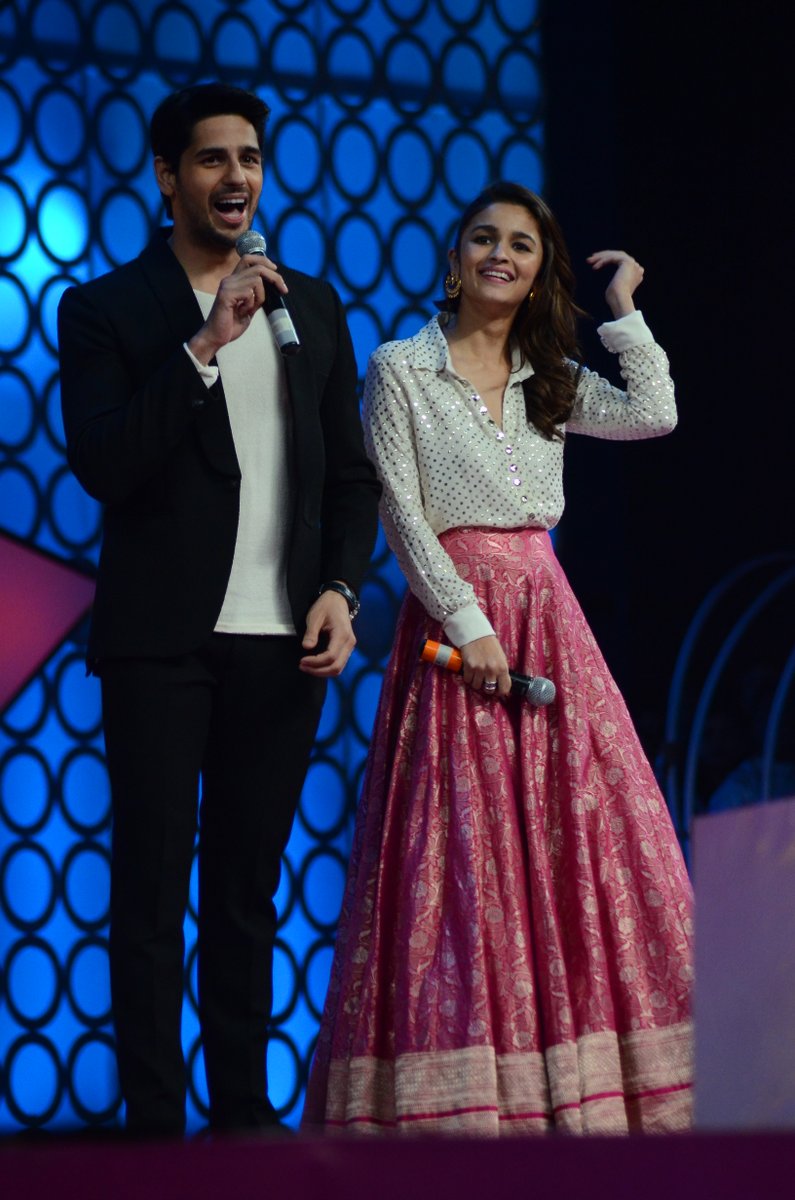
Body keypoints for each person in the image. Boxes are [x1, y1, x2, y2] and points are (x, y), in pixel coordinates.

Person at [303, 181, 693, 1135]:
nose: (500, 255)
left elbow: (654, 414)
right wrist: (467, 621)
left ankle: (595, 1100)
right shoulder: (402, 368)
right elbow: (401, 510)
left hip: (549, 621)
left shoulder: (549, 375)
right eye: (483, 238)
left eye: (521, 244)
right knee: (462, 857)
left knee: (589, 837)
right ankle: (482, 1113)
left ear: (537, 271)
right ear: (454, 260)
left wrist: (623, 312)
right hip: (457, 626)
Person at [57, 83, 380, 1137]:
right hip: (160, 643)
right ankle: (155, 1138)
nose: (235, 177)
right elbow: (106, 462)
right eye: (210, 159)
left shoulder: (311, 306)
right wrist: (203, 344)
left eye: (249, 158)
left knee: (247, 894)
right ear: (166, 177)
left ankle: (245, 1127)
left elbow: (350, 480)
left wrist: (340, 588)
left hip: (282, 641)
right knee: (151, 896)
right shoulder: (106, 308)